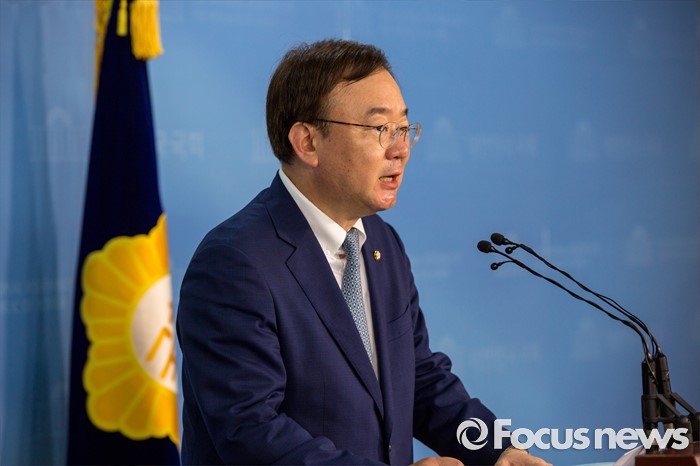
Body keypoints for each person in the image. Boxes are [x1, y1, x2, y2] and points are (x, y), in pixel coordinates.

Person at [176, 39, 550, 466]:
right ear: (307, 142)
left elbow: (419, 378)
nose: (400, 148)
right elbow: (252, 433)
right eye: (379, 129)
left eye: (404, 128)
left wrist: (498, 451)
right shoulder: (234, 264)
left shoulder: (381, 242)